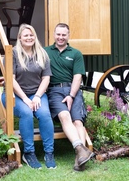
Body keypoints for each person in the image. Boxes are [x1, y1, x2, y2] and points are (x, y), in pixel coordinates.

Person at [1, 24, 56, 169]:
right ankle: (29, 153)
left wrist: (37, 96)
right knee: (26, 113)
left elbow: (46, 79)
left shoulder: (42, 54)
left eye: (31, 35)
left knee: (44, 114)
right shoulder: (12, 54)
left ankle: (49, 152)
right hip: (14, 94)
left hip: (36, 94)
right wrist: (25, 99)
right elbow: (10, 80)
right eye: (25, 35)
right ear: (20, 38)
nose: (29, 38)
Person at [43, 23, 94, 171]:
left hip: (73, 89)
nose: (60, 37)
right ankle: (81, 152)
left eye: (63, 34)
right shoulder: (45, 52)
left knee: (78, 121)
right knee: (65, 116)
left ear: (68, 35)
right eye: (58, 34)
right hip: (54, 91)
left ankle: (80, 157)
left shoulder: (76, 53)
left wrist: (71, 95)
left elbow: (78, 77)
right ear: (54, 35)